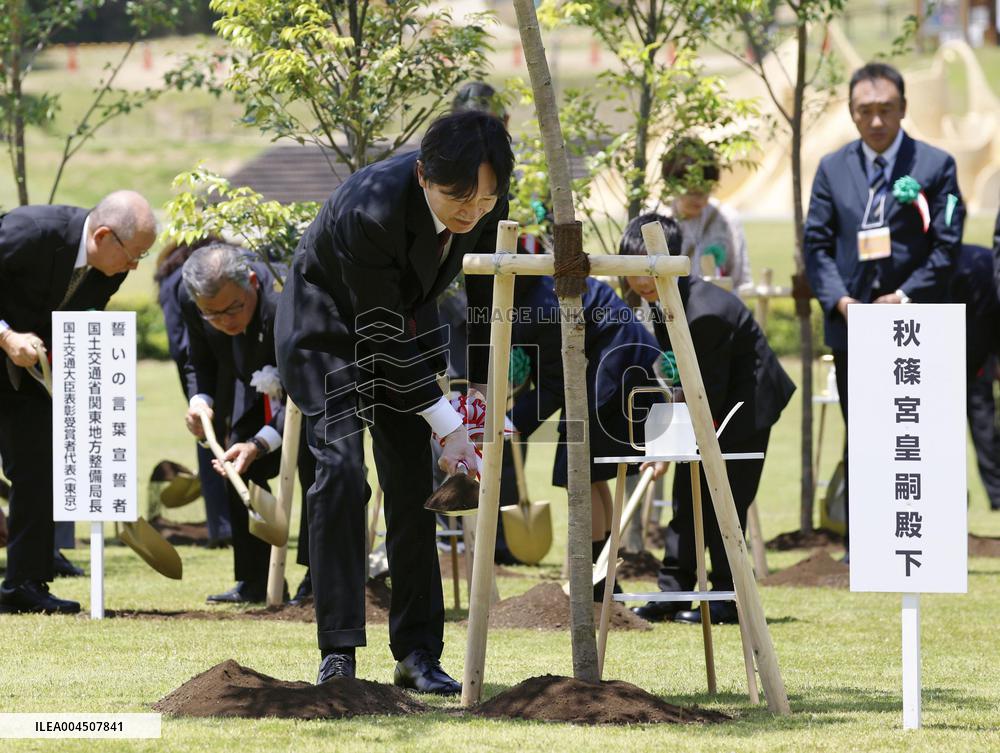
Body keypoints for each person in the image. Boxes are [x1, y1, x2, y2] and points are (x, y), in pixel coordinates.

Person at [275, 110, 514, 691]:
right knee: (341, 474)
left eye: (484, 200)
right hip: (326, 332)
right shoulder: (371, 209)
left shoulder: (486, 201)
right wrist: (447, 423)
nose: (472, 213)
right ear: (424, 174)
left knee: (411, 483)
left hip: (403, 325)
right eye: (459, 199)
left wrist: (481, 388)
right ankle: (338, 652)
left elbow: (486, 290)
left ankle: (417, 653)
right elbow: (376, 333)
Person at [804, 62, 964, 556]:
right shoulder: (832, 169)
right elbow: (817, 245)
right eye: (865, 111)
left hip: (917, 325)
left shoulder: (936, 166)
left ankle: (925, 540)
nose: (876, 121)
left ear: (903, 109)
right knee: (863, 431)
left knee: (918, 432)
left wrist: (904, 295)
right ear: (852, 113)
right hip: (854, 327)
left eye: (886, 110)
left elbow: (948, 243)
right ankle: (866, 543)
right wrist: (842, 302)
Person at [620, 213, 795, 624]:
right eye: (633, 269)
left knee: (724, 500)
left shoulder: (704, 314)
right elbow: (681, 381)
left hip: (745, 409)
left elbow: (705, 392)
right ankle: (674, 591)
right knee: (687, 497)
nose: (641, 281)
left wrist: (668, 445)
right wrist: (668, 445)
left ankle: (728, 598)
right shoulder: (663, 300)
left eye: (649, 269)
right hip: (707, 402)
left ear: (675, 260)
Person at [0, 191, 156, 614]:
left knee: (37, 466)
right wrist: (6, 335)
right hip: (8, 346)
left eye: (142, 256)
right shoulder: (29, 232)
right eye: (134, 254)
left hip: (25, 375)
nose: (135, 266)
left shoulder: (110, 267)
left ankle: (24, 585)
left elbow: (76, 322)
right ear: (103, 236)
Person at [466, 264, 661, 597]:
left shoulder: (541, 310)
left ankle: (597, 583)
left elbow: (556, 385)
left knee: (579, 472)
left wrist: (510, 423)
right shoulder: (532, 291)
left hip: (614, 366)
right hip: (615, 360)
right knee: (591, 473)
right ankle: (604, 581)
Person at [180, 243, 314, 604]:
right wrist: (201, 403)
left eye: (233, 308)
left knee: (315, 465)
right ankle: (254, 580)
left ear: (252, 282)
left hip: (310, 393)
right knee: (234, 461)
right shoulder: (192, 299)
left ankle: (317, 578)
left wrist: (259, 443)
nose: (224, 321)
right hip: (252, 383)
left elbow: (305, 387)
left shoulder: (287, 299)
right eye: (212, 314)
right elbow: (198, 359)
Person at [155, 238, 234, 548]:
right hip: (205, 369)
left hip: (198, 370)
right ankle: (224, 525)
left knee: (212, 439)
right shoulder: (183, 282)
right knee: (210, 438)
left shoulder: (170, 276)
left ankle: (223, 524)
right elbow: (182, 342)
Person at [649, 137, 752, 293]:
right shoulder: (654, 220)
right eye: (692, 191)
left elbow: (740, 279)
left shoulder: (726, 219)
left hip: (715, 305)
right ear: (672, 185)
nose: (700, 199)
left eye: (706, 190)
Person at [950, 244, 1000, 511]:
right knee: (985, 430)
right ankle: (997, 495)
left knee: (982, 431)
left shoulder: (935, 265)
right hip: (978, 358)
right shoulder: (986, 259)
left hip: (970, 361)